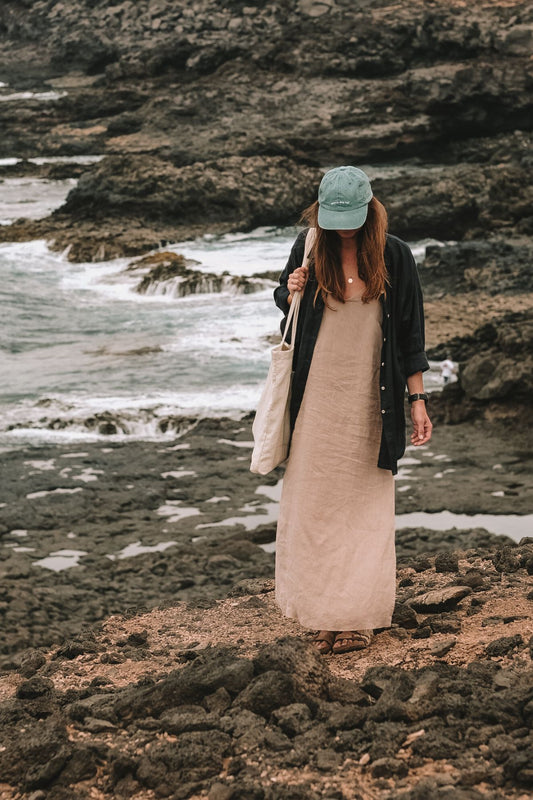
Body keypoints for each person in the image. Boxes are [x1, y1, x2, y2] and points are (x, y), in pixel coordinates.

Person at [273, 166, 432, 655]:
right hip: (317, 397)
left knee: (363, 507)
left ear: (370, 209)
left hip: (370, 399)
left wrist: (417, 399)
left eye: (352, 217)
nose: (344, 226)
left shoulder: (394, 254)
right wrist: (293, 286)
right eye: (334, 217)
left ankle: (358, 617)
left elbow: (410, 333)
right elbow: (285, 304)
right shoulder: (309, 244)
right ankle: (325, 614)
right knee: (315, 507)